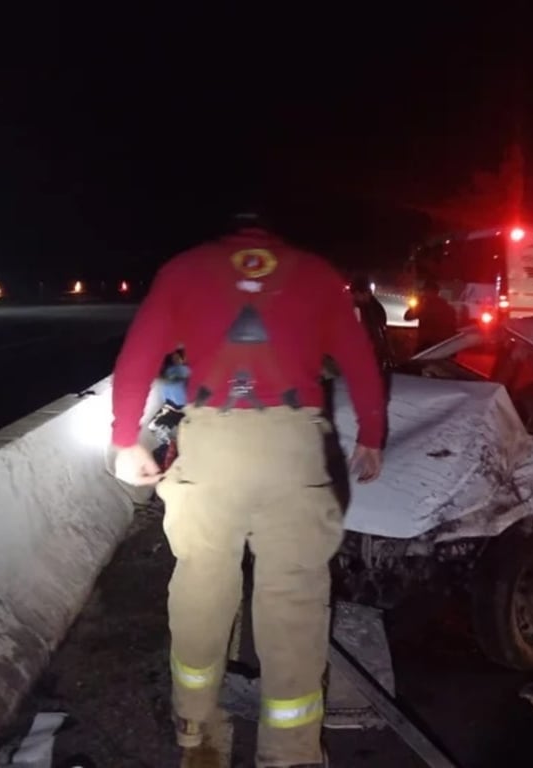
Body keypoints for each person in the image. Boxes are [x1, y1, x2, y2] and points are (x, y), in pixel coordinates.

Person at [111, 212, 386, 768]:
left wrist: (125, 439)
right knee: (293, 604)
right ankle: (290, 753)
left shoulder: (186, 269)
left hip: (212, 445)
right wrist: (372, 434)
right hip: (293, 448)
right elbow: (359, 360)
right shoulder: (314, 273)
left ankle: (197, 730)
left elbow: (137, 357)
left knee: (202, 588)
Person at [348, 274, 392, 375]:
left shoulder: (373, 308)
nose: (353, 297)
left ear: (360, 293)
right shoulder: (371, 306)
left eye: (355, 294)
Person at [403, 279, 458, 352]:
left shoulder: (424, 307)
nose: (423, 293)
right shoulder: (447, 307)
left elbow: (407, 316)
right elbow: (453, 328)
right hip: (443, 347)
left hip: (426, 347)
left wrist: (419, 304)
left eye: (425, 291)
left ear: (429, 292)